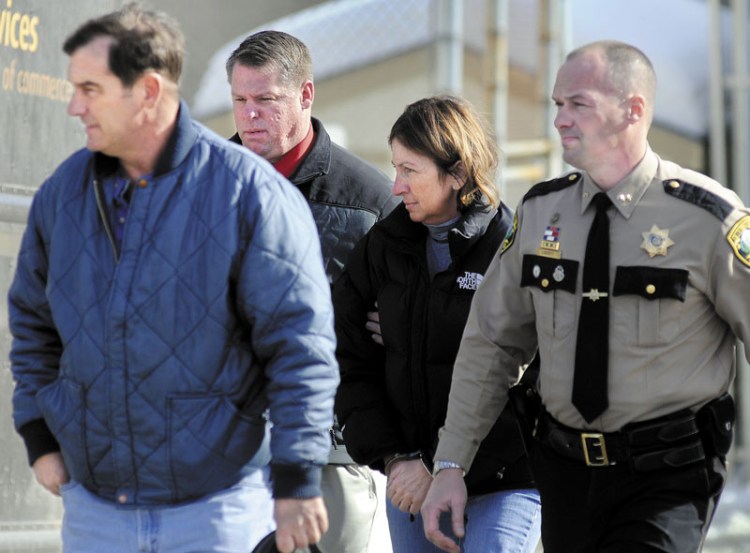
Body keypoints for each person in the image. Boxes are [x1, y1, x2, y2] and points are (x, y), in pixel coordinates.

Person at [7, 4, 338, 553]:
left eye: (92, 89)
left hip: (217, 513)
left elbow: (300, 349)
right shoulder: (60, 197)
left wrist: (297, 480)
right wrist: (38, 434)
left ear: (148, 92)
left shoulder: (249, 195)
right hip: (94, 512)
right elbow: (33, 325)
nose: (73, 105)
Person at [422, 40, 750, 553]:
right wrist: (450, 465)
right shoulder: (540, 211)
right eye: (557, 105)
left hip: (667, 475)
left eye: (578, 104)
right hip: (562, 473)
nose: (560, 119)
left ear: (633, 109)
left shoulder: (708, 217)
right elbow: (492, 342)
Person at [334, 95, 542, 553]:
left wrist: (445, 464)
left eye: (410, 170)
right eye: (395, 168)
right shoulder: (382, 248)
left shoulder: (511, 247)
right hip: (410, 480)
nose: (395, 186)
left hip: (501, 479)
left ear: (457, 174)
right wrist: (396, 458)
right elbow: (347, 353)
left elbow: (537, 373)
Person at [225, 30, 398, 553]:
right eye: (240, 101)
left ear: (305, 95)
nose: (250, 114)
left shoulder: (371, 202)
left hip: (331, 458)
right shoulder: (202, 184)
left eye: (266, 100)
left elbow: (408, 321)